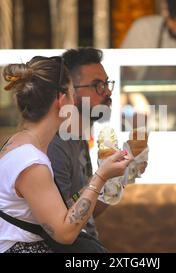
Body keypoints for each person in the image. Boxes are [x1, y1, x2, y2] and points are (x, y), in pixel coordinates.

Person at [0, 55, 131, 253]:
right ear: (61, 99)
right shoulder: (30, 162)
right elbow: (65, 233)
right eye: (72, 94)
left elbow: (61, 210)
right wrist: (100, 177)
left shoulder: (20, 145)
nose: (74, 102)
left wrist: (107, 177)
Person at [47, 48, 147, 240]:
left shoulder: (78, 139)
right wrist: (103, 178)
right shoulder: (55, 146)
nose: (108, 91)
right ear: (68, 91)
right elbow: (60, 225)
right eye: (97, 85)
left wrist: (119, 179)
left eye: (107, 83)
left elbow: (87, 212)